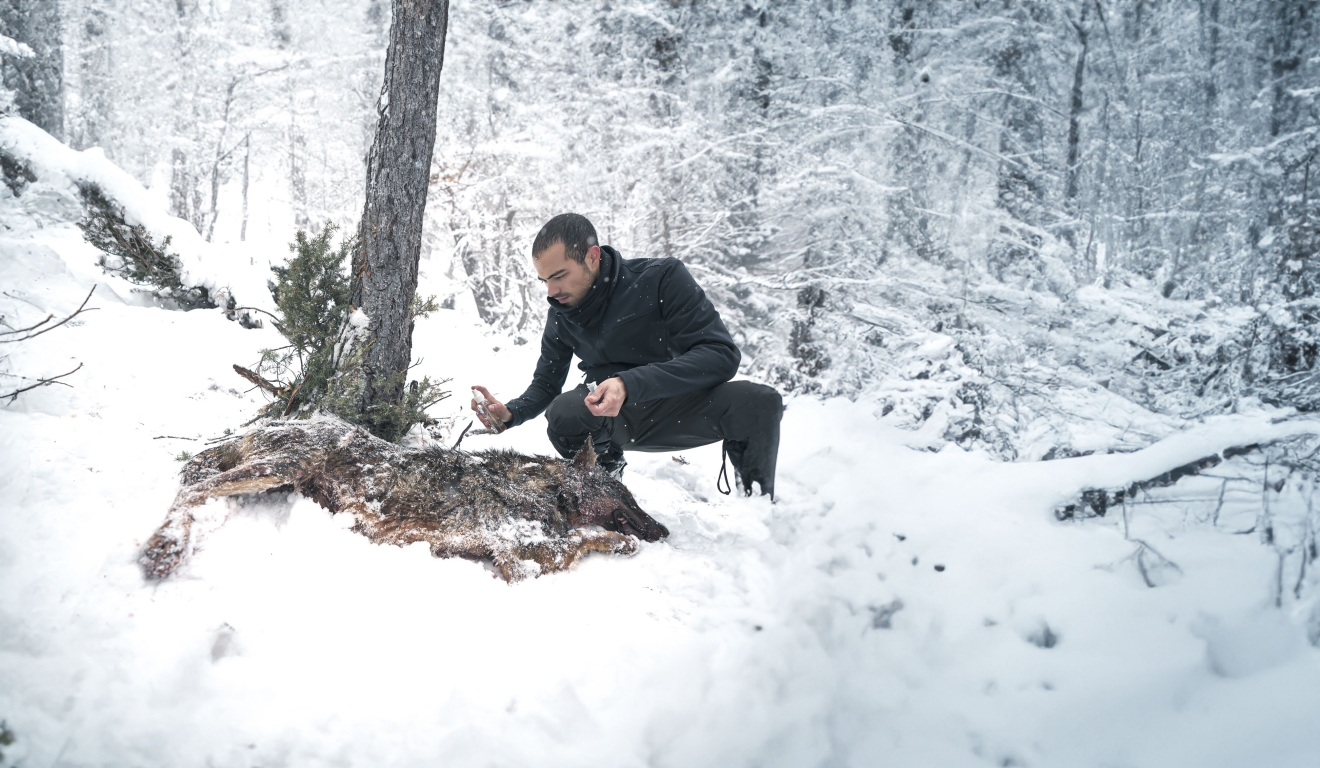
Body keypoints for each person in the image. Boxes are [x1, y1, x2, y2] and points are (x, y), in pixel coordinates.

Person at [470, 213, 783, 498]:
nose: (551, 291)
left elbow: (720, 354)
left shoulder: (661, 277)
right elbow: (546, 383)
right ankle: (606, 487)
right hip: (612, 417)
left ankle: (757, 505)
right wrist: (510, 413)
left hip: (682, 405)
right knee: (564, 412)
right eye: (545, 280)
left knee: (760, 402)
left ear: (592, 257)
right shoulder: (561, 312)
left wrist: (628, 383)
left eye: (559, 275)